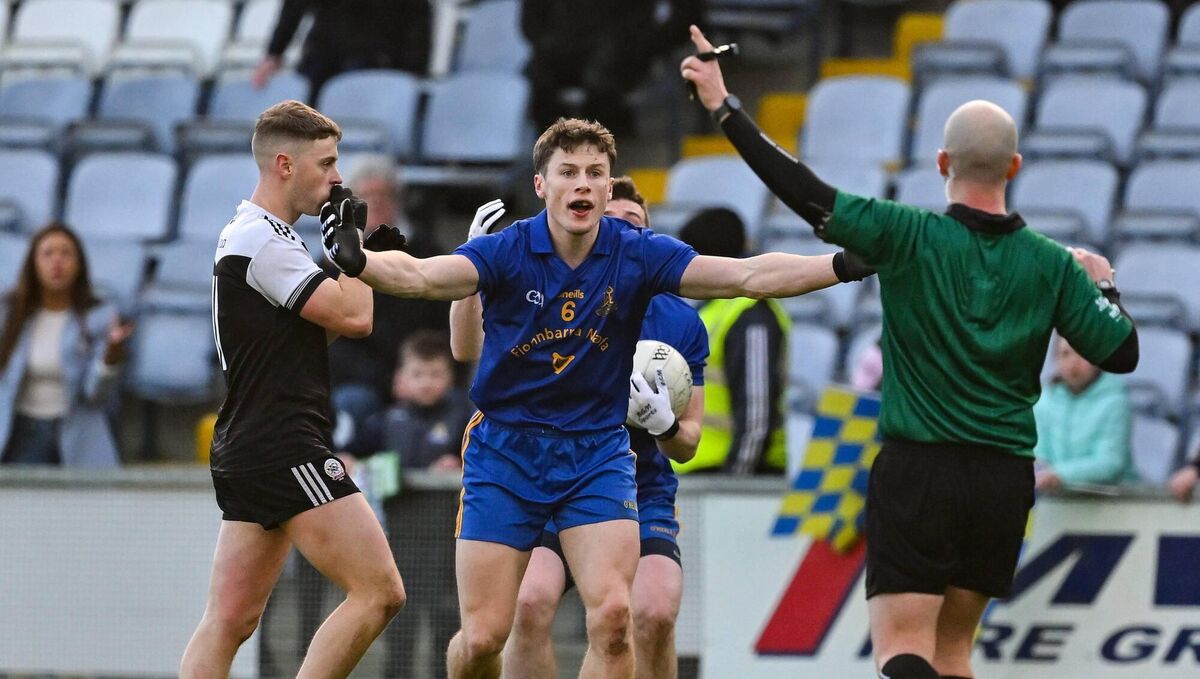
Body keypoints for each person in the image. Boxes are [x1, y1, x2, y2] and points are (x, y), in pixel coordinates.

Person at [319, 116, 871, 679]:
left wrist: (843, 264)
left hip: (597, 454)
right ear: (542, 185)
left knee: (613, 619)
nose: (581, 183)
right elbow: (423, 277)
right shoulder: (509, 250)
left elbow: (748, 276)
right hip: (505, 455)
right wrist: (358, 260)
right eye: (568, 172)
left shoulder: (636, 254)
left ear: (608, 188)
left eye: (595, 173)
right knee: (484, 639)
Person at [680, 24, 1139, 679]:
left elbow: (803, 191)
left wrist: (726, 108)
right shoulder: (1052, 264)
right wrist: (1106, 284)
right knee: (955, 653)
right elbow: (1120, 353)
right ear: (1014, 167)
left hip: (920, 468)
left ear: (942, 163)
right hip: (1003, 476)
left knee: (902, 647)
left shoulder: (906, 233)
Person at [180, 100, 407, 679]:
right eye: (327, 163)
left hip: (250, 444)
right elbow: (357, 320)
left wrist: (358, 256)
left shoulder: (261, 237)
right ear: (285, 164)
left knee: (228, 620)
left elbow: (318, 333)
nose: (336, 179)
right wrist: (357, 256)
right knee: (379, 591)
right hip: (284, 445)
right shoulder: (263, 240)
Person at [449, 176, 708, 679]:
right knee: (525, 607)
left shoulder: (679, 322)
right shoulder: (547, 290)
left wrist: (664, 424)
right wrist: (472, 275)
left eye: (633, 226)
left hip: (638, 483)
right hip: (542, 466)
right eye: (612, 223)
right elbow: (467, 350)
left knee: (649, 613)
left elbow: (689, 444)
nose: (618, 234)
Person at [341, 329, 470, 678]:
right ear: (401, 378)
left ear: (450, 377)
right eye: (418, 374)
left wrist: (460, 463)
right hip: (399, 545)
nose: (426, 382)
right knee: (400, 624)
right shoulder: (386, 420)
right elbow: (352, 450)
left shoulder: (464, 417)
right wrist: (348, 458)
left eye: (435, 374)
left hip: (448, 545)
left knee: (447, 624)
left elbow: (483, 456)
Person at [326, 155, 449, 437]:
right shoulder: (333, 261)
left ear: (398, 199)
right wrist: (389, 379)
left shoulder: (428, 252)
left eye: (383, 195)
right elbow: (333, 338)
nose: (376, 203)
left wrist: (415, 373)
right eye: (367, 196)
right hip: (362, 382)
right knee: (352, 403)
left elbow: (444, 323)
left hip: (424, 373)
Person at [0, 223, 133, 467]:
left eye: (66, 253)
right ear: (33, 263)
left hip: (77, 433)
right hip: (19, 432)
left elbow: (95, 395)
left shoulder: (100, 316)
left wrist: (110, 358)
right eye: (48, 253)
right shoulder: (9, 314)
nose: (57, 262)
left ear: (79, 264)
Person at [672, 207, 789, 476]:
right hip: (695, 474)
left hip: (736, 478)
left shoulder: (751, 314)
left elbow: (757, 415)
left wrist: (735, 481)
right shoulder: (709, 310)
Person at [520, 0, 702, 135]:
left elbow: (687, 16)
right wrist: (547, 41)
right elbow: (531, 20)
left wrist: (647, 45)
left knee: (601, 79)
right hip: (563, 48)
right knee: (536, 78)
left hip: (624, 51)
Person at [253, 0, 431, 98]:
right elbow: (293, 7)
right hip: (322, 56)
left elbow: (418, 20)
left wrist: (412, 74)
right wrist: (274, 53)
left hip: (378, 59)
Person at [1033, 336, 1134, 490]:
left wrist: (1060, 474)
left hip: (1113, 504)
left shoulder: (1116, 403)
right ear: (1055, 358)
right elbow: (1039, 456)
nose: (1074, 363)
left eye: (1083, 353)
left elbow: (1111, 462)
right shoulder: (1043, 401)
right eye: (1066, 354)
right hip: (1058, 502)